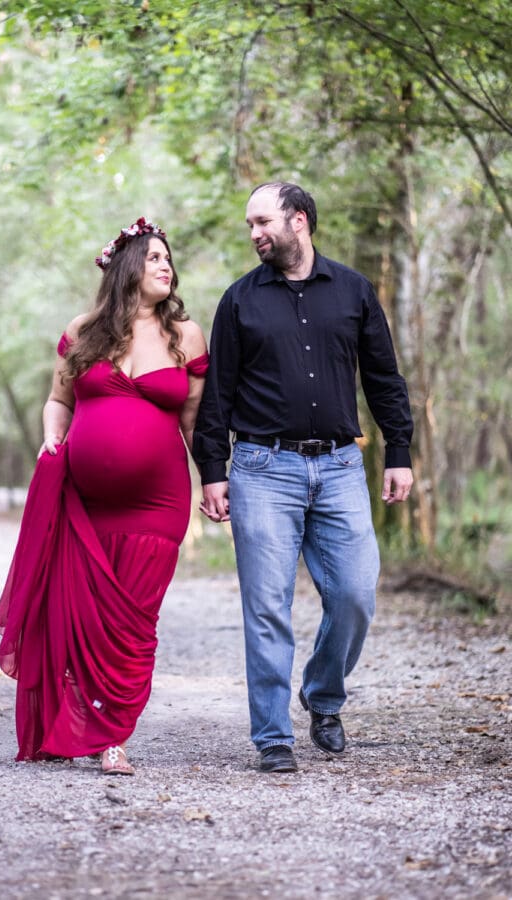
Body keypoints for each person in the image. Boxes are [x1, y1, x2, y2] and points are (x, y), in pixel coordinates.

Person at [193, 182, 413, 773]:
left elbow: (384, 379)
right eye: (249, 224)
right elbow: (217, 394)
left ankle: (321, 695)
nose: (254, 233)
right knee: (267, 606)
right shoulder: (239, 300)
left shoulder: (354, 290)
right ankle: (272, 737)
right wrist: (212, 469)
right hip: (262, 470)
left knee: (355, 595)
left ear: (300, 221)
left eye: (262, 221)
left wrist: (400, 451)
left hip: (341, 466)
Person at [0, 217, 208, 775]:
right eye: (155, 257)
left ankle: (113, 734)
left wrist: (214, 479)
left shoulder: (186, 335)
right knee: (85, 616)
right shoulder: (85, 330)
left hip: (158, 504)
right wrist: (52, 437)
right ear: (127, 267)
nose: (166, 266)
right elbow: (58, 401)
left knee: (134, 620)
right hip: (83, 502)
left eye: (168, 259)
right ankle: (84, 723)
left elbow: (193, 422)